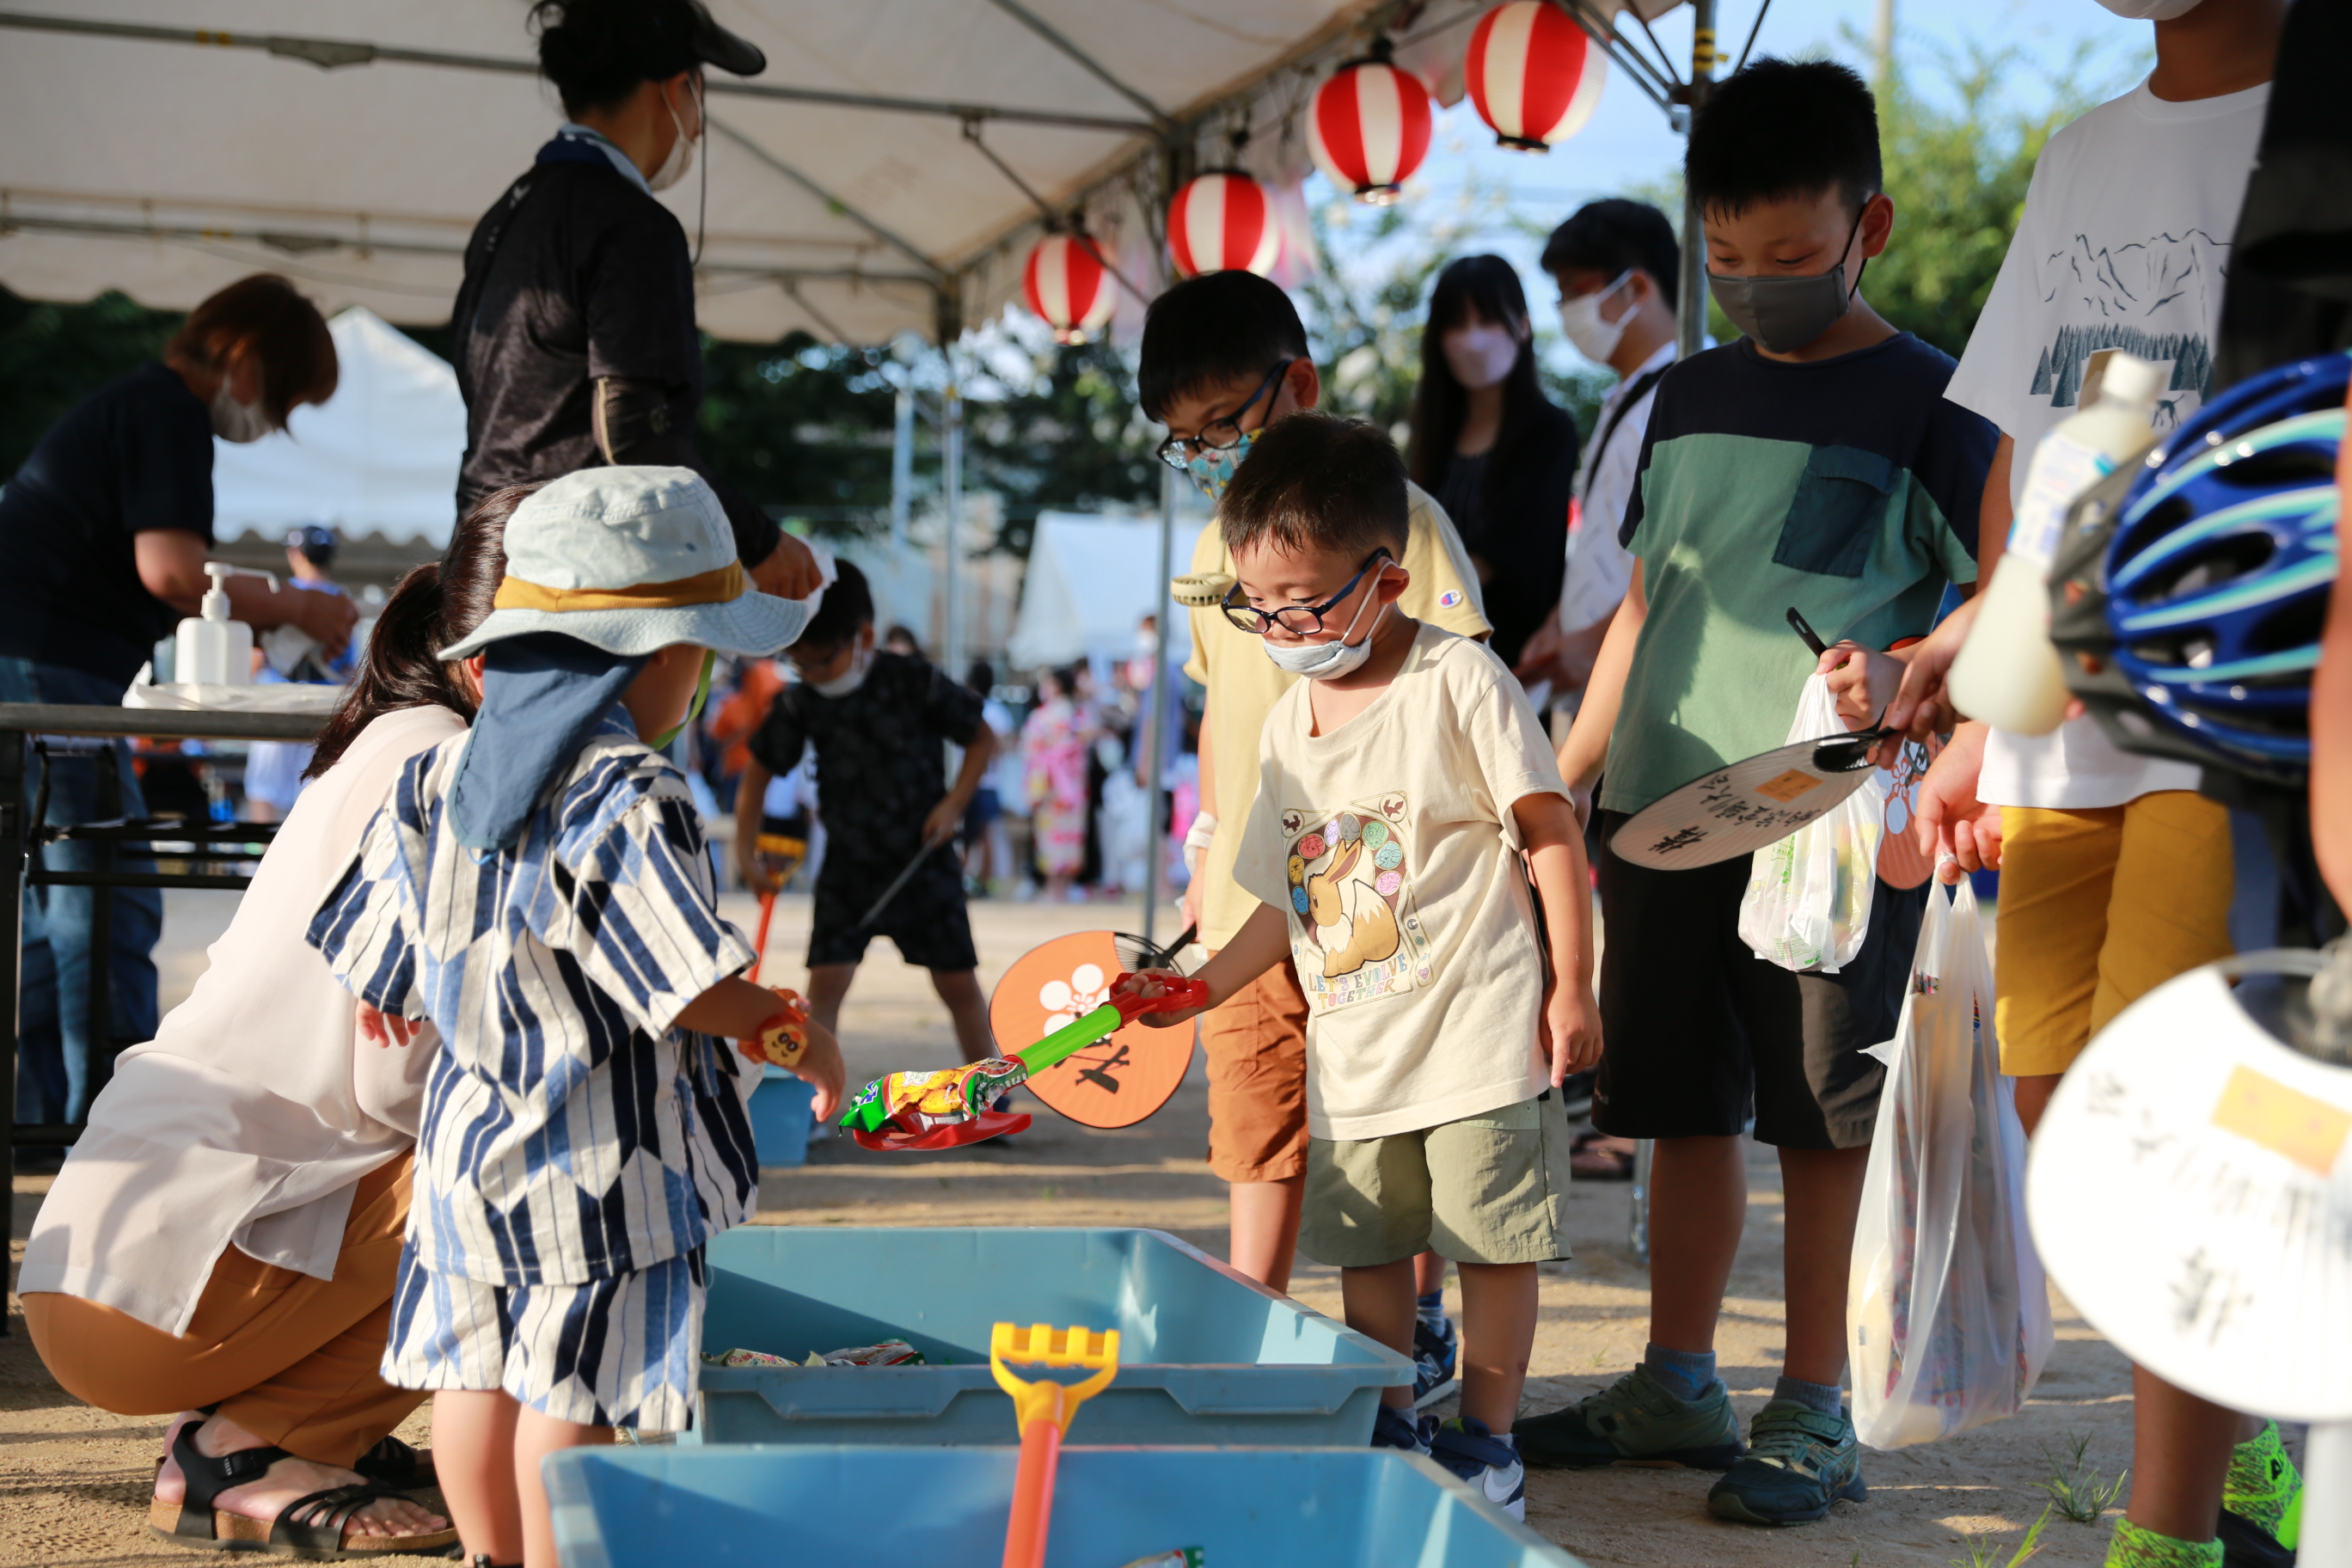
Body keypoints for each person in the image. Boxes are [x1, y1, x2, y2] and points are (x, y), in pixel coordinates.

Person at [1528, 59, 1996, 1526]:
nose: (1757, 288)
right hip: (1661, 812)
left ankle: (1814, 1399)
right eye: (1728, 263)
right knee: (1677, 1103)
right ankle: (1676, 1374)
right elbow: (1642, 613)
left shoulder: (1937, 400)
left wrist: (1903, 668)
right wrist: (1558, 782)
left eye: (1793, 260)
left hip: (1825, 830)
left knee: (1817, 1110)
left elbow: (1994, 613)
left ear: (1870, 225)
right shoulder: (1678, 397)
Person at [1867, 4, 2299, 1563]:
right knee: (2067, 1110)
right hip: (2055, 719)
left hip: (2239, 719)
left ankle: (2174, 1522)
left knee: (2177, 1109)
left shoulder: (2319, 136)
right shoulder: (2081, 153)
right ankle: (2242, 1430)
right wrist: (1982, 694)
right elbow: (2021, 455)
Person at [305, 467, 843, 1568]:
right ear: (646, 661)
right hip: (597, 1162)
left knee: (476, 1375)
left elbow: (381, 952)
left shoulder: (439, 777)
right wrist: (786, 1026)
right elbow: (686, 986)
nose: (694, 685)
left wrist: (389, 995)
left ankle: (487, 1555)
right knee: (574, 1385)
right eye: (695, 655)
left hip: (464, 1150)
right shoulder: (631, 797)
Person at [18, 489, 528, 1557]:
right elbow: (393, 1084)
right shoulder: (446, 771)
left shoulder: (399, 735)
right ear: (496, 663)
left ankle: (297, 1428)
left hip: (122, 1254)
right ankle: (255, 1447)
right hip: (164, 1283)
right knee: (546, 1158)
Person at [1119, 413, 1595, 1522]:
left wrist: (1574, 985)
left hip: (1480, 1040)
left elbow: (1551, 832)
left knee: (1490, 1250)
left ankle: (1489, 1443)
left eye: (1305, 601)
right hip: (1355, 1066)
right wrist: (1192, 989)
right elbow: (1278, 908)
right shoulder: (1287, 728)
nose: (1281, 626)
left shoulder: (1460, 682)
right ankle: (1390, 1415)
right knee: (1369, 1255)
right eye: (1261, 607)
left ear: (1385, 578)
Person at [1143, 271, 1491, 1382]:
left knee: (1385, 1116)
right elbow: (1216, 711)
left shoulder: (1402, 519)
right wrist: (1203, 854)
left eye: (1221, 426)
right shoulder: (1210, 551)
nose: (1206, 455)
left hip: (1376, 891)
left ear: (1297, 383)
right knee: (1254, 1100)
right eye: (1182, 440)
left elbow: (1458, 681)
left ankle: (1414, 1323)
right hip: (1249, 886)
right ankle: (1256, 1319)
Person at [0, 273, 359, 1129]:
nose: (274, 422)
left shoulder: (138, 405)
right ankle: (111, 1126)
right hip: (51, 672)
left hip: (41, 669)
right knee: (104, 904)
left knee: (62, 908)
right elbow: (169, 572)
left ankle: (53, 1118)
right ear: (245, 358)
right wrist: (295, 604)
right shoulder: (166, 412)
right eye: (283, 396)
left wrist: (262, 610)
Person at [450, 0, 821, 604]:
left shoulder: (504, 216)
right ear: (680, 88)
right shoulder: (631, 225)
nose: (698, 126)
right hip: (576, 587)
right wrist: (757, 541)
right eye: (701, 98)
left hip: (479, 565)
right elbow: (634, 433)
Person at [733, 561, 1001, 1068]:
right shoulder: (801, 702)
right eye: (799, 664)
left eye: (820, 662)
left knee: (958, 983)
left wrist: (954, 804)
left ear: (864, 636)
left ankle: (986, 1092)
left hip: (924, 858)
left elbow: (983, 736)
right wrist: (746, 853)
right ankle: (810, 1101)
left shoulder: (914, 681)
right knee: (826, 984)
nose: (811, 674)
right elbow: (758, 773)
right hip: (848, 863)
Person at [1515, 200, 1686, 722]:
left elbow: (1687, 555)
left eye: (1576, 291)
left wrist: (1596, 639)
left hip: (1648, 687)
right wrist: (1562, 622)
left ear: (1636, 288)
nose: (1566, 311)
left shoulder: (1692, 396)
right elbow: (1608, 541)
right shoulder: (1630, 397)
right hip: (1597, 682)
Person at [1405, 255, 1581, 669]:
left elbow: (1515, 552)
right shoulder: (1434, 433)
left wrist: (1422, 603)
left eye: (1487, 320)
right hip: (1426, 648)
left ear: (1522, 326)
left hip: (1504, 656)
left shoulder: (1550, 432)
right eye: (1456, 324)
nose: (1473, 339)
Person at [245, 524, 360, 823]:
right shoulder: (342, 600)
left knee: (263, 790)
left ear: (297, 554)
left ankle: (263, 862)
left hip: (277, 705)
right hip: (323, 709)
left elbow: (257, 657)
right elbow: (350, 668)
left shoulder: (285, 596)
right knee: (313, 794)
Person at [1021, 665, 1093, 902]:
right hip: (1073, 787)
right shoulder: (1078, 714)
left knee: (1050, 835)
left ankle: (1053, 889)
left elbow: (1032, 751)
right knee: (1071, 835)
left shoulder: (1042, 716)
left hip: (1050, 787)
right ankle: (1064, 887)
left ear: (1056, 685)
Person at [963, 658, 1015, 893]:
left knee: (970, 837)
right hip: (987, 783)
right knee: (983, 836)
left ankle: (975, 881)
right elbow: (1007, 745)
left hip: (971, 783)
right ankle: (981, 881)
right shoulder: (998, 712)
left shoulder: (971, 707)